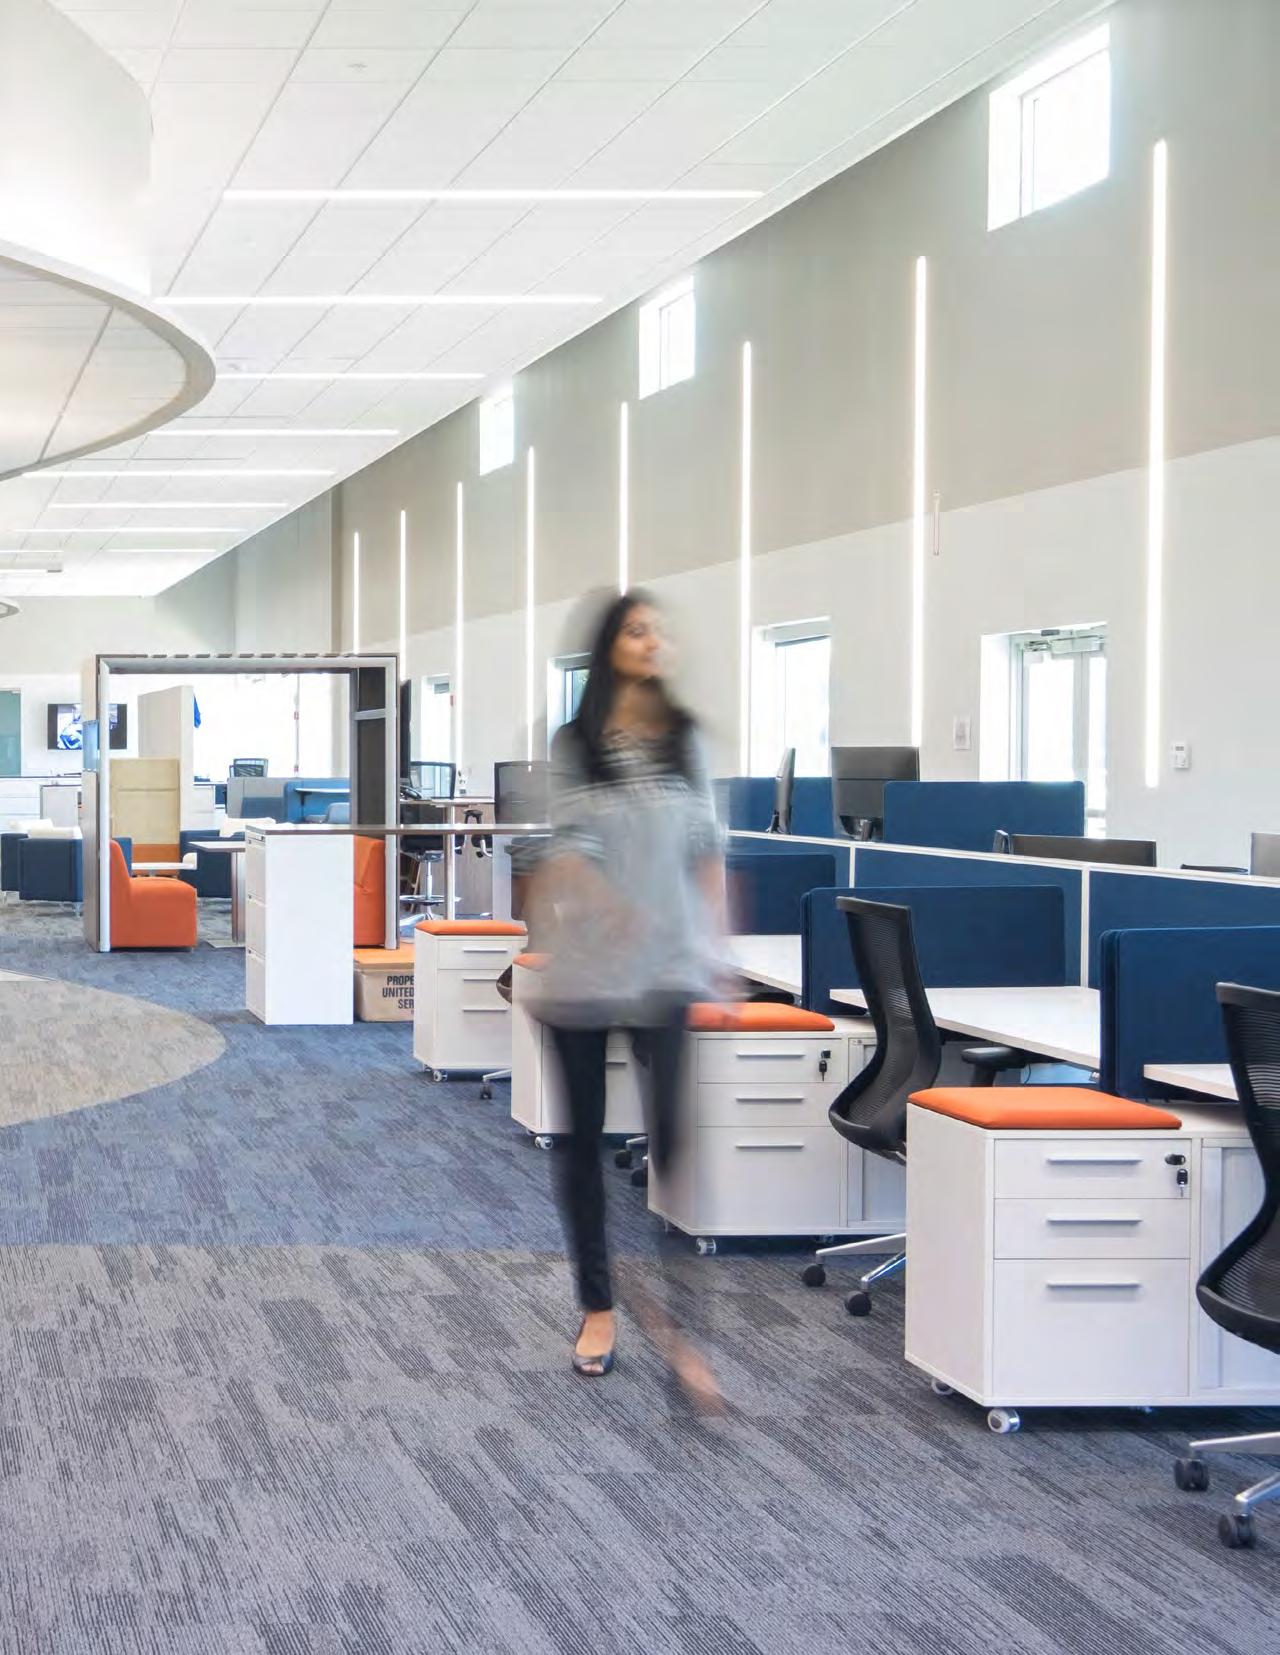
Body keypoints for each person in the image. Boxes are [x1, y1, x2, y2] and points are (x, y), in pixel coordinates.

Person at [528, 590, 725, 1402]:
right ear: (611, 645)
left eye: (659, 631)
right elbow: (567, 847)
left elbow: (708, 846)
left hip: (668, 966)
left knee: (674, 1144)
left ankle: (682, 1327)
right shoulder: (575, 742)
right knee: (581, 1143)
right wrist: (611, 906)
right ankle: (598, 1308)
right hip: (587, 968)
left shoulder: (685, 738)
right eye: (638, 630)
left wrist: (721, 954)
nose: (653, 641)